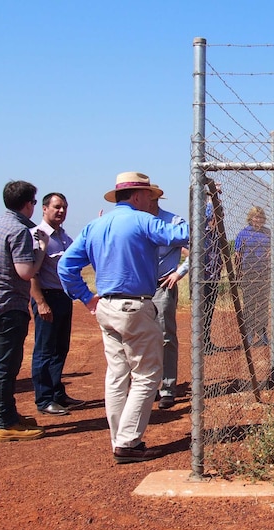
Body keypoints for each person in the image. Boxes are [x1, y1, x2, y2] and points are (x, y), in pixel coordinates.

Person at [58, 172, 189, 463]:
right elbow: (181, 236)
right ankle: (128, 443)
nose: (151, 201)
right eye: (148, 196)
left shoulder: (95, 225)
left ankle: (119, 438)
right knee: (146, 376)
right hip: (135, 307)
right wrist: (205, 212)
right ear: (138, 195)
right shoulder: (141, 220)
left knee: (117, 375)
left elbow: (66, 267)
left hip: (106, 306)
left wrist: (86, 296)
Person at [0, 180, 48, 442]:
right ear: (28, 204)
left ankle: (10, 417)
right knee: (5, 368)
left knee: (5, 365)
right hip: (9, 307)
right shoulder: (18, 231)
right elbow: (26, 272)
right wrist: (41, 250)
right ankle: (5, 422)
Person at [30, 192, 85, 416]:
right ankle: (44, 399)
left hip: (63, 297)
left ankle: (57, 393)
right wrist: (40, 302)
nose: (61, 211)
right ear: (44, 209)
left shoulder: (63, 236)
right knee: (44, 349)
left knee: (60, 348)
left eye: (64, 207)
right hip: (46, 297)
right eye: (56, 207)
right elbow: (32, 272)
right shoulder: (36, 235)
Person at [148, 188, 189, 410]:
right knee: (142, 339)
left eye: (149, 197)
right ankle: (148, 386)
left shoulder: (173, 221)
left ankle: (167, 388)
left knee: (165, 337)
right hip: (138, 288)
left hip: (162, 287)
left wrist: (179, 273)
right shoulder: (137, 220)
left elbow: (197, 249)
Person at [233, 206, 271, 346]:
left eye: (261, 217)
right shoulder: (243, 233)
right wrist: (238, 272)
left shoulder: (267, 232)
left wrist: (272, 251)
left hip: (264, 272)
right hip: (248, 272)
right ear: (251, 218)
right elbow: (237, 254)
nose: (258, 220)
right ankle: (249, 334)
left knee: (262, 304)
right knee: (249, 304)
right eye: (256, 217)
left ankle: (262, 333)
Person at [201, 198, 224, 354]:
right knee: (202, 311)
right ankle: (201, 344)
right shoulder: (204, 231)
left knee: (209, 311)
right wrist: (212, 198)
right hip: (202, 278)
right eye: (216, 217)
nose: (218, 219)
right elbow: (207, 213)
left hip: (214, 277)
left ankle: (206, 342)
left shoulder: (217, 234)